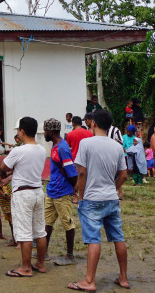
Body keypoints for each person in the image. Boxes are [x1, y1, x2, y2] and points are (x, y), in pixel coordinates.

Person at [69, 109, 129, 291]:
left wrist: (80, 194)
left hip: (92, 199)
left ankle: (89, 281)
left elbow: (81, 172)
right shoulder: (117, 146)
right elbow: (124, 175)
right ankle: (124, 278)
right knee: (118, 237)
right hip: (111, 198)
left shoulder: (86, 143)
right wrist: (114, 188)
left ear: (93, 122)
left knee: (94, 239)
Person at [0, 116, 47, 278]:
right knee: (40, 231)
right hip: (37, 191)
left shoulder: (18, 150)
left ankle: (26, 268)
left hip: (23, 193)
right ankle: (40, 264)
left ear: (23, 131)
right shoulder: (41, 150)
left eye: (19, 130)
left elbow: (3, 167)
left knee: (24, 232)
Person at [43, 118, 78, 266]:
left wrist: (72, 191)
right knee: (47, 223)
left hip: (61, 192)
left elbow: (72, 172)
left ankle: (70, 255)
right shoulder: (56, 146)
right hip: (52, 191)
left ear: (50, 132)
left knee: (67, 223)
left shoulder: (62, 148)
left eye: (45, 131)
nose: (44, 133)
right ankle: (43, 252)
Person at [0, 168, 16, 246]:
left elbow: (7, 196)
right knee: (11, 224)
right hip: (6, 209)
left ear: (3, 178)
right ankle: (15, 239)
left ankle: (16, 241)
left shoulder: (4, 186)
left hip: (10, 209)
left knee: (13, 225)